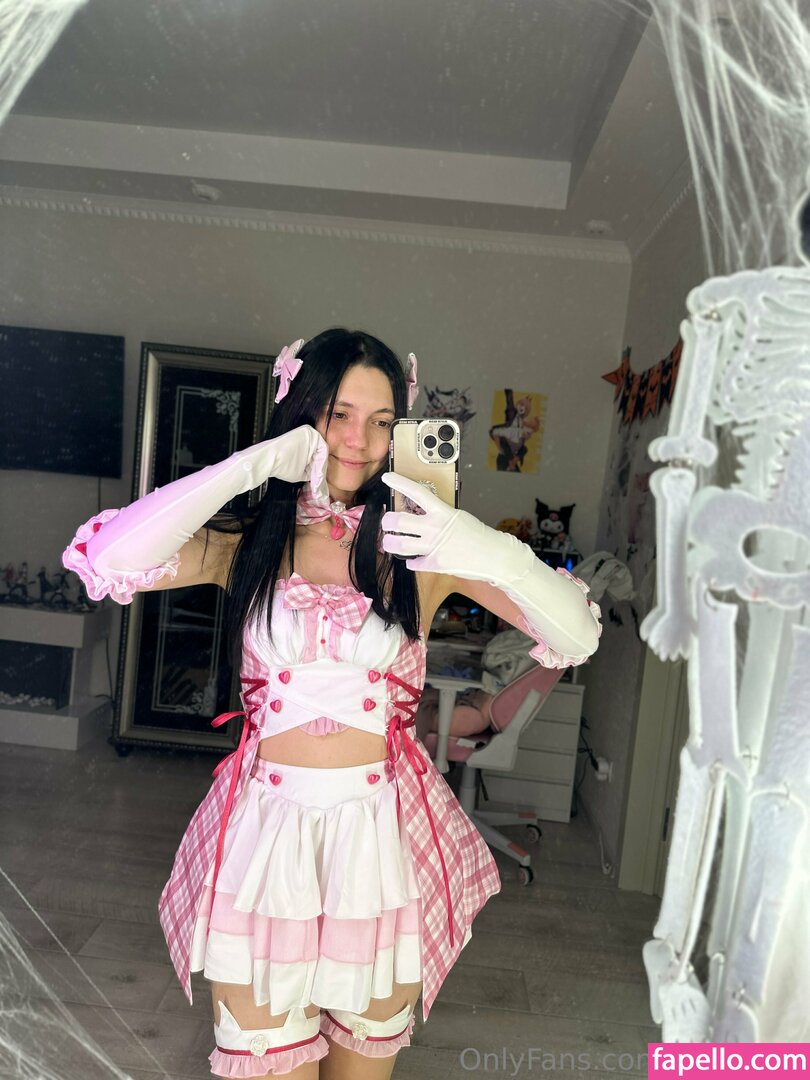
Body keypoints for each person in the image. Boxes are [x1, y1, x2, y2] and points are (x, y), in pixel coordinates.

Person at [62, 328, 602, 1079]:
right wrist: (252, 465)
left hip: (381, 843)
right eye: (338, 414)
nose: (359, 441)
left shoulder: (426, 550)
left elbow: (576, 634)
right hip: (267, 838)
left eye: (381, 421)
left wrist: (476, 542)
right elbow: (107, 558)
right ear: (302, 414)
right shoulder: (246, 544)